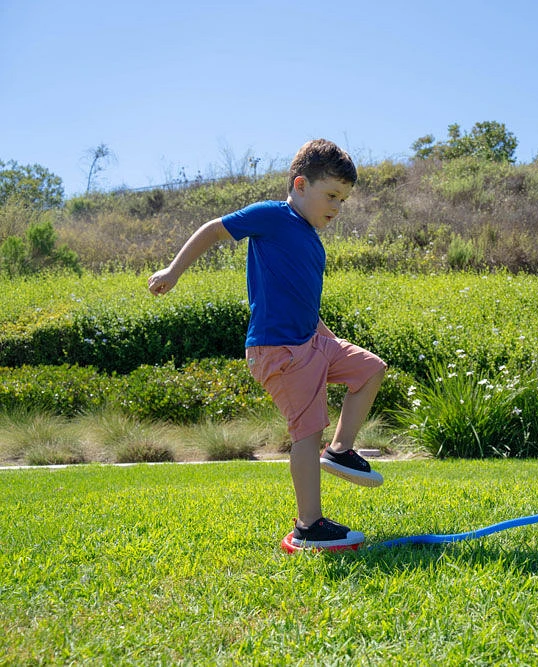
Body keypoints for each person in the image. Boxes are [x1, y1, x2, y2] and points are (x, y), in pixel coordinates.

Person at [148, 139, 386, 550]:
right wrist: (173, 270)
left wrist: (328, 341)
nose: (336, 207)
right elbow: (212, 230)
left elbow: (304, 304)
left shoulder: (312, 240)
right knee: (307, 432)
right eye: (331, 195)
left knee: (370, 369)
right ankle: (309, 526)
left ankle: (341, 450)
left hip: (310, 341)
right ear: (299, 184)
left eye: (343, 200)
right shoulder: (272, 217)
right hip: (278, 349)